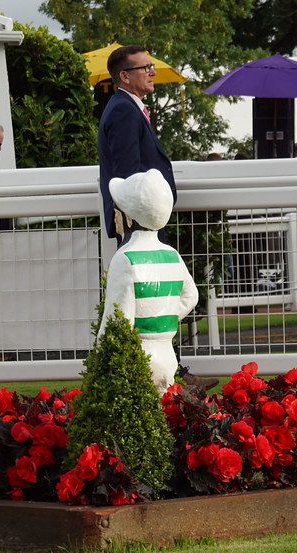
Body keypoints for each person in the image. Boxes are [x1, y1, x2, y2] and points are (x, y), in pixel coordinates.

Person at [101, 169, 198, 394]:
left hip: (138, 358)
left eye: (117, 210)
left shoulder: (124, 259)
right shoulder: (172, 255)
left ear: (129, 217)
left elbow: (117, 320)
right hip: (167, 355)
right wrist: (163, 318)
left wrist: (100, 356)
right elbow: (191, 296)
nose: (114, 215)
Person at [98, 44, 176, 247]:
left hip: (141, 223)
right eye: (146, 68)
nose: (153, 72)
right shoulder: (123, 110)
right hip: (139, 225)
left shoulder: (124, 106)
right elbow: (128, 173)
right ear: (125, 76)